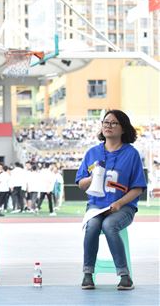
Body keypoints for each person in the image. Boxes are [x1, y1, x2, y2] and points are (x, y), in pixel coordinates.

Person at [75, 110, 147, 291]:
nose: (108, 126)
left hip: (123, 207)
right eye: (105, 122)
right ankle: (87, 274)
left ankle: (124, 275)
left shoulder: (131, 154)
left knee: (109, 225)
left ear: (123, 128)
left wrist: (120, 203)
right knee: (92, 226)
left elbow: (138, 188)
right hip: (96, 206)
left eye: (114, 123)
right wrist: (93, 178)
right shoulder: (92, 152)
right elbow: (81, 184)